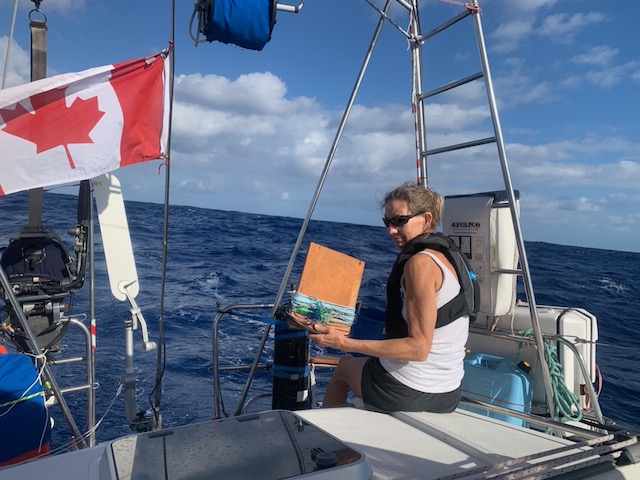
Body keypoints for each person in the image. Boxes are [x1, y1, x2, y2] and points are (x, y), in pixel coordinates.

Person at [309, 182, 469, 412]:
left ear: (426, 219)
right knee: (372, 362)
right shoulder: (450, 256)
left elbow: (418, 349)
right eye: (388, 222)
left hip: (410, 390)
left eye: (400, 221)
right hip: (449, 392)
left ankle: (325, 434)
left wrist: (343, 342)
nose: (391, 231)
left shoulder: (420, 264)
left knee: (343, 367)